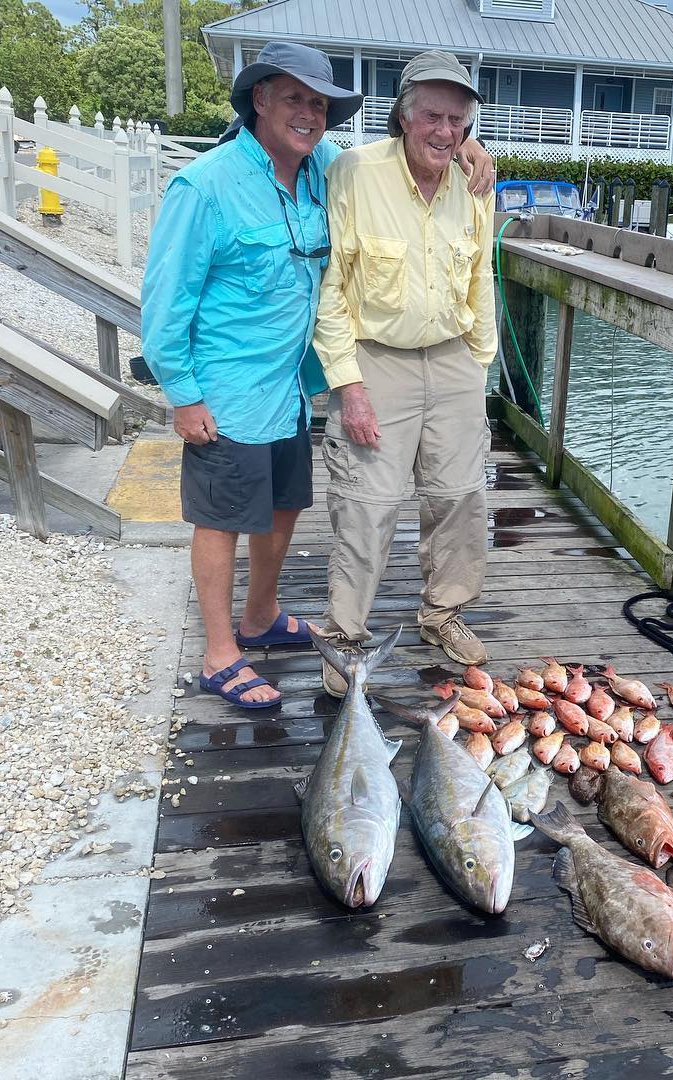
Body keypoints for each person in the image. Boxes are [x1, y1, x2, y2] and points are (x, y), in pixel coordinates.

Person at [142, 42, 495, 710]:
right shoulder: (206, 185)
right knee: (219, 517)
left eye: (319, 103)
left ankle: (262, 617)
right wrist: (183, 395)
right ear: (259, 101)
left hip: (288, 388)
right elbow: (163, 305)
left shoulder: (321, 167)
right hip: (224, 387)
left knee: (283, 507)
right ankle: (222, 653)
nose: (308, 113)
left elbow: (425, 152)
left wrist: (475, 149)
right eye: (293, 98)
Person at [313, 50, 497, 695]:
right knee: (368, 504)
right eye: (431, 117)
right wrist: (349, 384)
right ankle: (344, 637)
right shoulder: (355, 172)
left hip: (454, 360)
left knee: (460, 496)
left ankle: (442, 610)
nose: (444, 132)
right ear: (403, 115)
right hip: (376, 362)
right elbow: (331, 287)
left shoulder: (474, 182)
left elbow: (481, 278)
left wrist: (479, 363)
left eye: (457, 120)